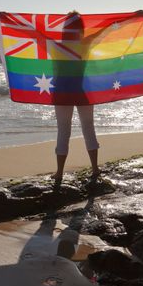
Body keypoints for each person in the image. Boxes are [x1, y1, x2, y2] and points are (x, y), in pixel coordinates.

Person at [52, 10, 100, 182]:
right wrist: (132, 17)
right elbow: (105, 31)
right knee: (88, 127)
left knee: (63, 130)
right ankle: (95, 168)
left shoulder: (55, 45)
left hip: (62, 92)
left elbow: (34, 35)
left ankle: (59, 173)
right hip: (82, 90)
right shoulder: (85, 43)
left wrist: (9, 19)